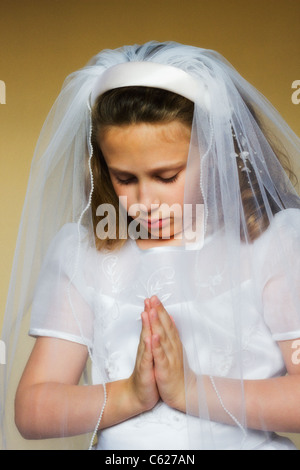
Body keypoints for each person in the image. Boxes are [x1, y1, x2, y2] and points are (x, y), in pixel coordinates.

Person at [1, 41, 300, 450]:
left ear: (216, 154)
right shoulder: (85, 254)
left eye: (166, 175)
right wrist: (129, 396)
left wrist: (191, 390)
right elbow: (33, 409)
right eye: (125, 178)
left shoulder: (273, 245)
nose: (144, 201)